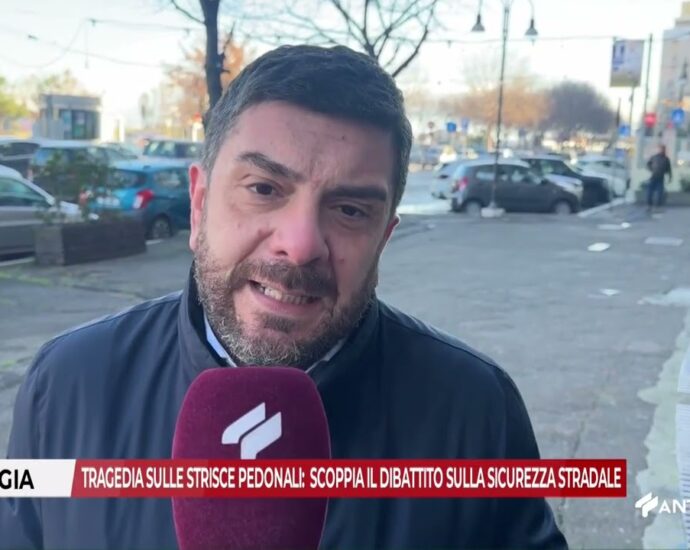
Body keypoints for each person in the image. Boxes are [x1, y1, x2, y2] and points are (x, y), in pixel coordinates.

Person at [1, 46, 567, 549]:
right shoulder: (67, 383)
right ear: (198, 205)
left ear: (383, 239)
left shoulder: (475, 409)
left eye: (350, 210)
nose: (300, 246)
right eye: (264, 188)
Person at [646, 145, 672, 212]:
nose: (662, 150)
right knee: (650, 192)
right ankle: (649, 205)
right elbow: (648, 164)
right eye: (661, 149)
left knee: (660, 193)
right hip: (653, 177)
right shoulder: (654, 157)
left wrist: (670, 177)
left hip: (661, 178)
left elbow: (669, 169)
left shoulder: (666, 159)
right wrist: (651, 169)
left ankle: (658, 206)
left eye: (663, 149)